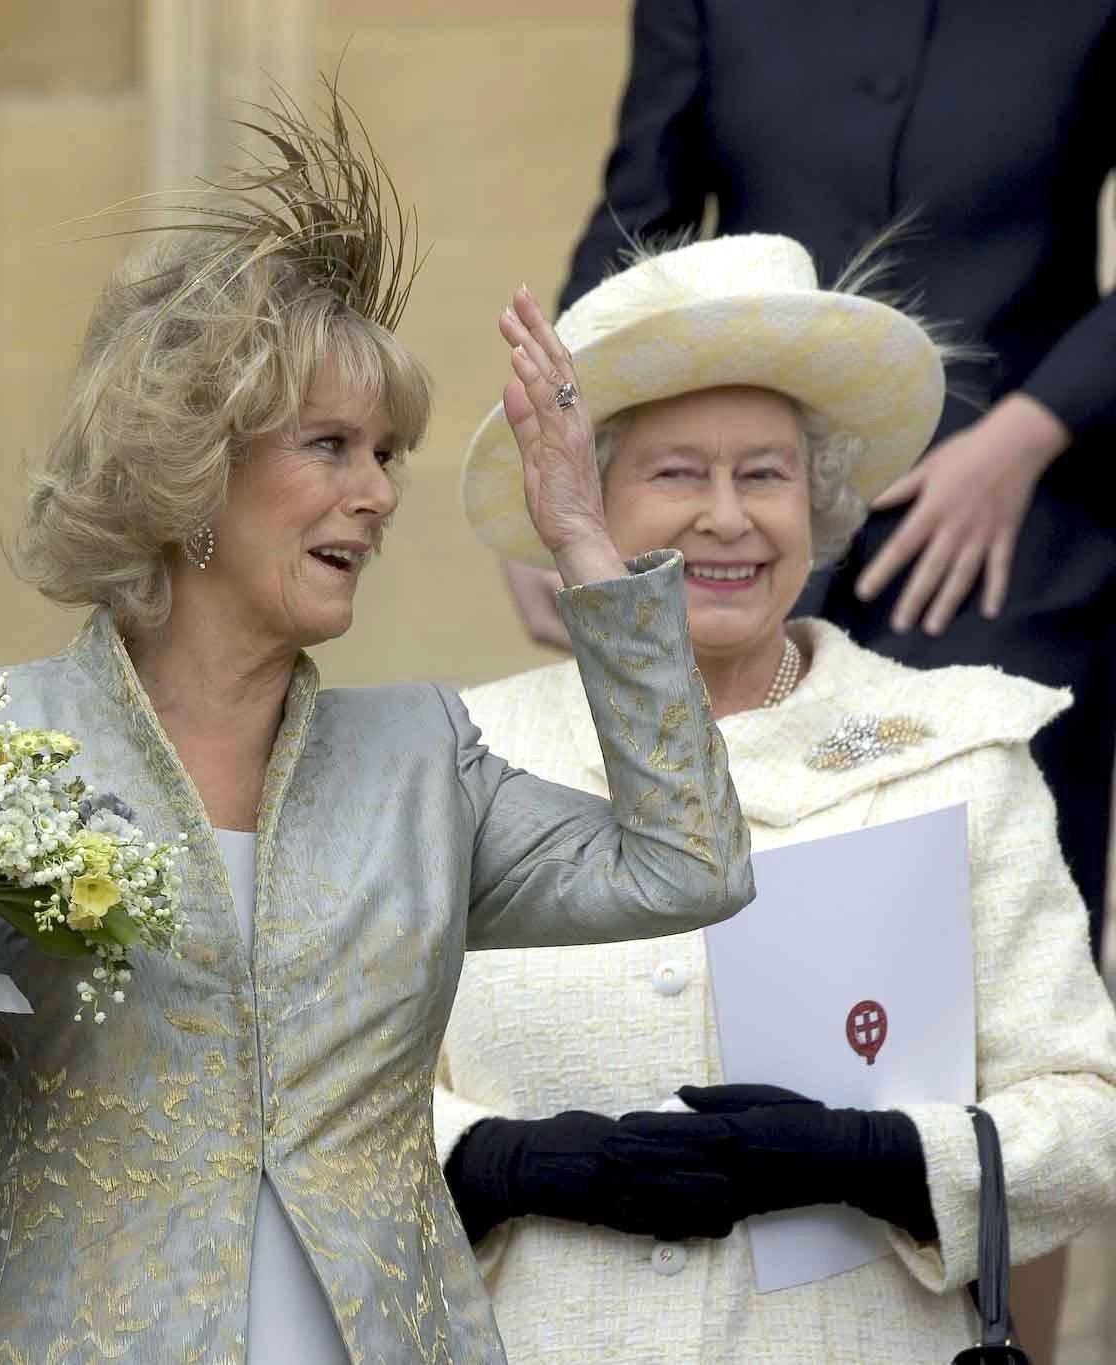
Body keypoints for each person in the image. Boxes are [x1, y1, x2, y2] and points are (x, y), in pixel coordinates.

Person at [0, 88, 755, 1362]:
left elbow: (691, 863)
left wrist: (582, 544)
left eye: (387, 453)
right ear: (190, 468)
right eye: (331, 445)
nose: (376, 494)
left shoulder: (420, 760)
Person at [439, 232, 1116, 1362]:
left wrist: (882, 1158)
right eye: (674, 473)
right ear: (588, 503)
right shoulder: (464, 758)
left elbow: (1087, 1115)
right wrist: (498, 1163)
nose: (725, 517)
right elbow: (333, 1096)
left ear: (818, 504)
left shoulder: (954, 754)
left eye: (763, 473)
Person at [506, 0, 1116, 959]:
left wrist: (1029, 435)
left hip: (1009, 536)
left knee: (991, 937)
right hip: (739, 518)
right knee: (715, 929)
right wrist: (552, 480)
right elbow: (640, 220)